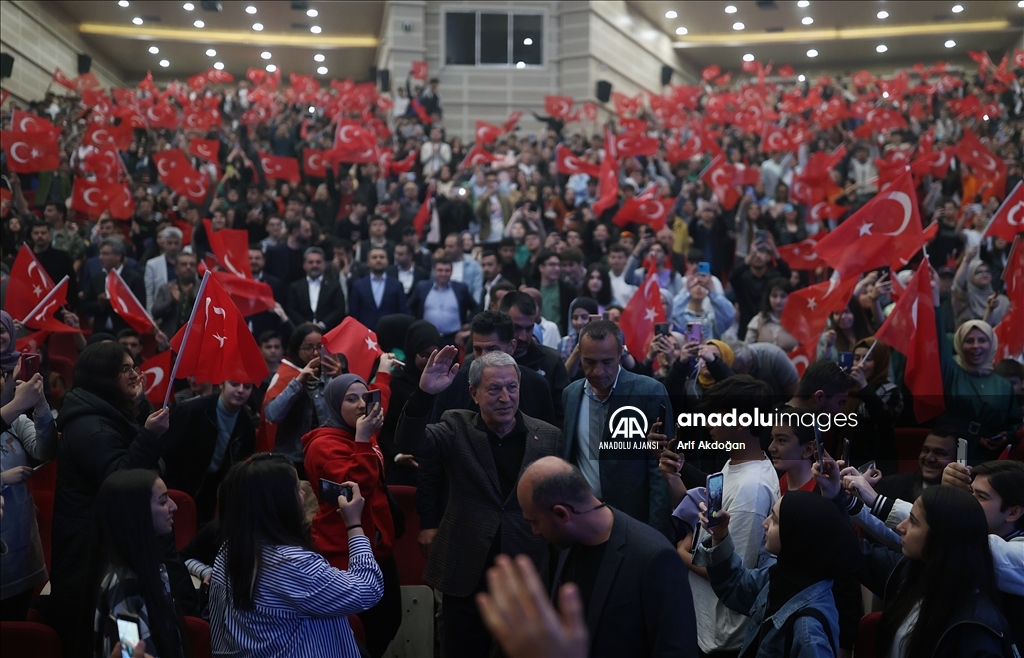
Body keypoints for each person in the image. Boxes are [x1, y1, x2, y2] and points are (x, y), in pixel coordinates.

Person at [395, 349, 563, 658]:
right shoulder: (456, 426)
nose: (505, 397)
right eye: (494, 389)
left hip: (524, 570)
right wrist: (424, 394)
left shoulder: (548, 437)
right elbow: (410, 442)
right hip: (465, 571)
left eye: (512, 387)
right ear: (474, 393)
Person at [816, 464, 1017, 658]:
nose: (900, 527)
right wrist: (836, 496)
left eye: (913, 521)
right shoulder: (908, 572)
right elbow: (851, 550)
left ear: (942, 536)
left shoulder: (977, 632)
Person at [48, 343, 173, 648]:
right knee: (121, 639)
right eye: (124, 369)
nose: (134, 375)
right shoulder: (92, 427)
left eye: (133, 367)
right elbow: (120, 483)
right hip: (93, 556)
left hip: (106, 549)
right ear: (102, 377)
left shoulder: (108, 413)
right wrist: (149, 436)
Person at [518, 456, 698, 658]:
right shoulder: (564, 542)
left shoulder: (655, 558)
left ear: (562, 513)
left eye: (534, 522)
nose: (534, 531)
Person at [209, 455, 384, 658]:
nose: (303, 493)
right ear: (280, 503)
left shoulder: (228, 551)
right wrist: (354, 524)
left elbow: (219, 638)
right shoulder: (293, 563)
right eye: (296, 488)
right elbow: (368, 588)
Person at [302, 358, 403, 658]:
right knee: (362, 631)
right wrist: (361, 440)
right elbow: (356, 490)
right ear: (335, 404)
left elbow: (381, 399)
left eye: (364, 397)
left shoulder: (361, 430)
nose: (361, 405)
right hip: (344, 550)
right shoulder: (324, 445)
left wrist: (383, 372)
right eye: (351, 399)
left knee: (390, 620)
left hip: (379, 547)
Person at [692, 491, 859, 658]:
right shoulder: (787, 575)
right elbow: (736, 585)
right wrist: (720, 535)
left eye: (775, 520)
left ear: (797, 535)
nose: (765, 523)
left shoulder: (810, 632)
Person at [562, 320, 673, 539]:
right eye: (589, 362)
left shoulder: (649, 392)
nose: (598, 371)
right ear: (579, 354)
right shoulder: (571, 395)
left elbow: (661, 469)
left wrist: (656, 534)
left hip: (634, 524)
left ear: (621, 354)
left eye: (607, 362)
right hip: (582, 521)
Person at [85, 469, 187, 658]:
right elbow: (130, 653)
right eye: (163, 501)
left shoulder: (148, 567)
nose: (174, 507)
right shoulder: (123, 585)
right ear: (136, 514)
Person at [0, 366, 54, 621]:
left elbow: (46, 451)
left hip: (21, 547)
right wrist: (2, 479)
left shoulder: (16, 421)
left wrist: (40, 405)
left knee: (17, 628)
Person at [161, 381, 257, 525]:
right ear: (221, 384)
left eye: (247, 387)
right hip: (182, 483)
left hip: (213, 489)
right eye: (234, 384)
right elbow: (168, 450)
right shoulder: (193, 410)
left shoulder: (246, 424)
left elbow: (242, 464)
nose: (240, 390)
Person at [935, 315, 1021, 463]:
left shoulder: (1003, 385)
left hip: (989, 457)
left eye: (982, 340)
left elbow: (1014, 423)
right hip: (952, 453)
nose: (976, 346)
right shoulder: (951, 374)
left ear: (992, 343)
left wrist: (1005, 437)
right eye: (969, 341)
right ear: (959, 344)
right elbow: (937, 342)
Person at [262, 323, 343, 476]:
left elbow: (345, 414)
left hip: (326, 455)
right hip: (294, 459)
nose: (315, 353)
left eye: (319, 347)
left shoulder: (330, 373)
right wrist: (298, 382)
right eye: (308, 348)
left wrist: (340, 379)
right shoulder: (287, 374)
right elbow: (272, 415)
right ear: (296, 349)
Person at [841, 338, 903, 473]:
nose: (860, 364)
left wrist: (864, 387)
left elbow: (886, 421)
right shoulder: (848, 388)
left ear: (880, 361)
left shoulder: (890, 390)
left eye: (867, 359)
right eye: (856, 358)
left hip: (878, 462)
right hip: (848, 458)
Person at [408, 259, 477, 344]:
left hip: (453, 339)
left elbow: (475, 308)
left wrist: (469, 324)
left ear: (451, 272)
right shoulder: (422, 287)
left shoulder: (461, 289)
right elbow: (409, 307)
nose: (443, 274)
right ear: (434, 271)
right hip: (427, 337)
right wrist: (416, 325)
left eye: (447, 270)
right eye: (440, 270)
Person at [348, 247, 410, 330]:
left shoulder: (397, 285)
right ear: (368, 262)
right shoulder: (358, 286)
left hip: (390, 332)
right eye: (374, 257)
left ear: (387, 261)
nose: (378, 260)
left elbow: (403, 312)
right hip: (365, 333)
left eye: (382, 257)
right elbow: (353, 314)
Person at [285, 246, 346, 331]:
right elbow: (291, 310)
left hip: (329, 332)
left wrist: (322, 325)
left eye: (318, 262)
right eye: (310, 262)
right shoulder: (295, 286)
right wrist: (305, 325)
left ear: (324, 265)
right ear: (304, 265)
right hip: (302, 332)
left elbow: (339, 309)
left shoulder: (334, 285)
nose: (314, 265)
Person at [767, 406, 819, 495]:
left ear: (808, 449)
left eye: (781, 440)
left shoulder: (821, 493)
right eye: (772, 439)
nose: (771, 448)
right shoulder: (772, 481)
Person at [151, 252, 199, 336]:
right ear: (176, 269)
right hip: (170, 336)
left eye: (192, 265)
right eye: (184, 264)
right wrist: (172, 301)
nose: (188, 267)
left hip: (195, 336)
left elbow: (208, 314)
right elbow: (155, 312)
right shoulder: (166, 288)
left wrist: (191, 299)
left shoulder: (204, 287)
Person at [744, 278, 797, 353]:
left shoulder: (798, 322)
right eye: (774, 296)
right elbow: (746, 349)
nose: (778, 301)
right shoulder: (758, 320)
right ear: (768, 297)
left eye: (783, 296)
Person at [144, 227, 183, 313]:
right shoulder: (152, 264)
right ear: (163, 244)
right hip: (161, 309)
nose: (173, 246)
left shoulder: (187, 263)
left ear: (180, 244)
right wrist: (151, 315)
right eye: (169, 243)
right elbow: (149, 293)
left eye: (176, 243)